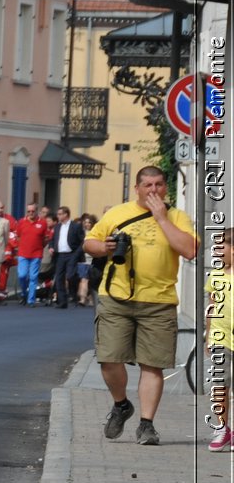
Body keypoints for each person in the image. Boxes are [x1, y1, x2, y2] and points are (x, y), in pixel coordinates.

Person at [83, 166, 198, 446]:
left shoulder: (177, 216)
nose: (153, 190)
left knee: (152, 365)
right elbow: (90, 243)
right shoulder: (118, 213)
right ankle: (121, 404)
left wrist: (162, 219)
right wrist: (105, 248)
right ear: (137, 188)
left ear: (165, 188)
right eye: (147, 185)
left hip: (159, 302)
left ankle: (147, 425)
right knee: (109, 359)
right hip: (116, 297)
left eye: (159, 184)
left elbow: (190, 249)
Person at [206, 229, 232, 452]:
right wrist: (208, 336)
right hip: (220, 336)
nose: (217, 251)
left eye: (222, 247)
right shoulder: (215, 276)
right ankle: (222, 429)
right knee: (220, 385)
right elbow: (212, 307)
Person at [14, 202, 52, 306]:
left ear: (36, 211)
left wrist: (40, 247)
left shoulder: (43, 223)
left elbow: (46, 238)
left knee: (33, 277)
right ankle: (24, 293)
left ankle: (31, 300)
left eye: (33, 211)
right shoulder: (21, 222)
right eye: (29, 211)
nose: (31, 213)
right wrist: (21, 246)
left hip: (36, 254)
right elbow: (17, 236)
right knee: (22, 275)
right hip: (23, 254)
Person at [49, 206, 84, 308]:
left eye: (60, 214)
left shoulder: (75, 226)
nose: (58, 216)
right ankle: (62, 301)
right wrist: (51, 247)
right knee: (59, 278)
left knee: (70, 276)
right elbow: (52, 240)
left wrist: (77, 254)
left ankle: (74, 293)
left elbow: (82, 241)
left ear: (66, 214)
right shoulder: (57, 227)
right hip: (59, 255)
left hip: (71, 254)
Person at [74, 212, 98, 307]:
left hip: (93, 260)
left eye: (89, 222)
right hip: (83, 260)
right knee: (84, 279)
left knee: (91, 281)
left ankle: (91, 298)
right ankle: (82, 299)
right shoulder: (81, 234)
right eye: (85, 222)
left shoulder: (96, 233)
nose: (87, 224)